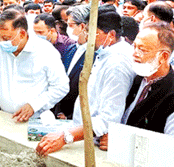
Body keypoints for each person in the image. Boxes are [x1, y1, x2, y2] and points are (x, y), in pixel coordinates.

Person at [36, 9, 135, 156]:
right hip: (81, 132)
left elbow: (108, 118)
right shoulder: (104, 52)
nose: (87, 37)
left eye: (92, 33)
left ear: (111, 35)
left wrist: (65, 137)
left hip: (94, 141)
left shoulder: (117, 64)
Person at [0, 8, 69, 122]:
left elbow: (61, 86)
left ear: (22, 34)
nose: (1, 42)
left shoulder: (45, 51)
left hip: (36, 119)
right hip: (4, 116)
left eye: (6, 38)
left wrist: (34, 105)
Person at [99, 22, 174, 165]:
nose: (134, 54)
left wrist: (122, 145)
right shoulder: (140, 76)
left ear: (163, 56)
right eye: (134, 47)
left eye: (142, 50)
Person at [55, 5, 91, 119]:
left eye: (71, 25)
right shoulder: (71, 48)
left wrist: (70, 116)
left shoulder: (94, 55)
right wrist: (58, 111)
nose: (68, 29)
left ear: (82, 26)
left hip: (77, 117)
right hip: (59, 112)